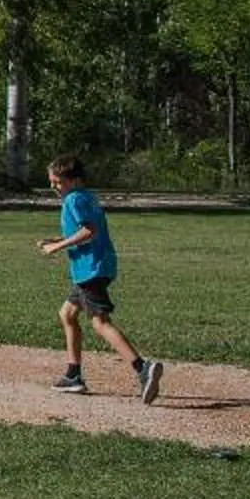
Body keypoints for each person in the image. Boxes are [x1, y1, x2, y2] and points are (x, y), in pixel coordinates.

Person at [41, 155, 158, 400]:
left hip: (90, 269)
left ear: (73, 180)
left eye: (57, 182)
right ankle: (73, 376)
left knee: (100, 322)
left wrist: (58, 247)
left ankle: (143, 368)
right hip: (95, 266)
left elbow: (89, 231)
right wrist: (58, 240)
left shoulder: (73, 199)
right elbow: (85, 230)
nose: (53, 187)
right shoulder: (87, 197)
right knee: (67, 314)